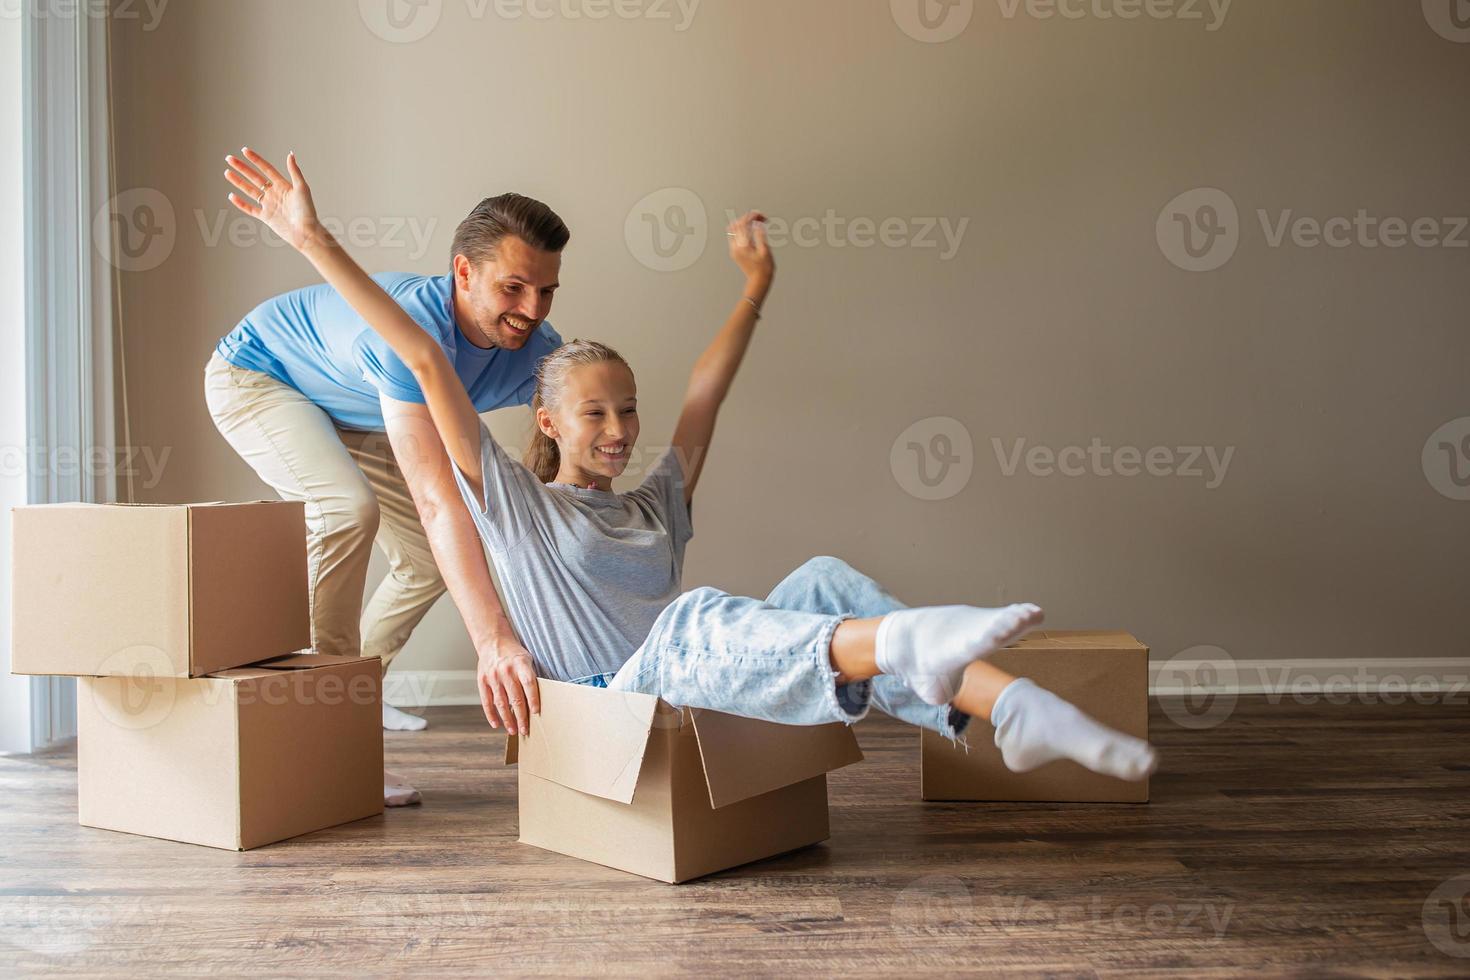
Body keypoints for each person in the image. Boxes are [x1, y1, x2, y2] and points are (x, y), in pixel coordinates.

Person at [222, 149, 1158, 786]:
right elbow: (426, 367)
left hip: (694, 678)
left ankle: (1014, 709)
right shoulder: (512, 504)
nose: (622, 429)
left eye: (627, 411)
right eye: (597, 413)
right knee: (694, 619)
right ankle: (915, 647)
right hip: (618, 696)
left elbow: (705, 399)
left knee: (823, 579)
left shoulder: (655, 504)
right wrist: (311, 239)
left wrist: (754, 290)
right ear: (545, 419)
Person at [205, 152, 566, 754]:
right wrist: (492, 638)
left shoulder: (538, 349)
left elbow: (563, 439)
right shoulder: (410, 334)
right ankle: (325, 722)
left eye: (546, 290)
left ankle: (359, 691)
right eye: (513, 287)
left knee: (428, 560)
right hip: (261, 374)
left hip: (354, 408)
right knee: (346, 510)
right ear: (463, 273)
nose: (531, 310)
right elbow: (434, 496)